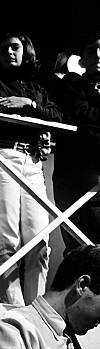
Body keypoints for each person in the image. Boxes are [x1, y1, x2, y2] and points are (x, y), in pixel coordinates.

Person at [0, 32, 63, 306]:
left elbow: (57, 116)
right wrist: (36, 119)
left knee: (40, 244)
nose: (9, 53)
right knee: (7, 240)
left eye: (14, 47)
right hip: (4, 155)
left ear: (26, 50)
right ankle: (14, 309)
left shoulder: (37, 88)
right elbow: (1, 112)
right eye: (3, 50)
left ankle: (35, 313)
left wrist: (29, 106)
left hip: (34, 163)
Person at [54, 31, 100, 251]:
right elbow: (81, 115)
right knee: (79, 249)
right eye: (92, 51)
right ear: (82, 57)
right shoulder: (73, 82)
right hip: (75, 177)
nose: (99, 55)